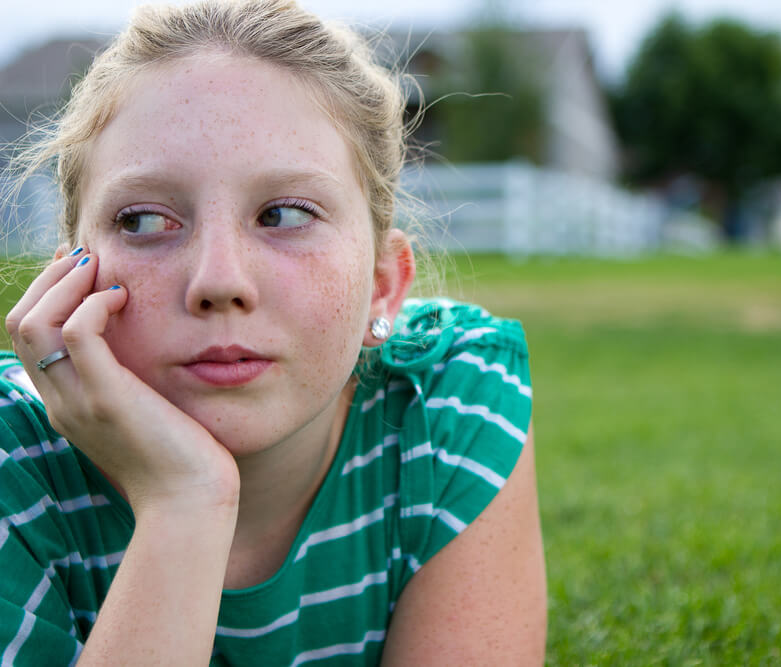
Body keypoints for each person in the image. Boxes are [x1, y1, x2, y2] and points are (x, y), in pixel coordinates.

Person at [0, 0, 546, 664]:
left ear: (382, 285)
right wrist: (184, 503)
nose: (219, 279)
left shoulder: (446, 407)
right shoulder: (11, 472)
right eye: (144, 220)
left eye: (284, 212)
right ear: (69, 283)